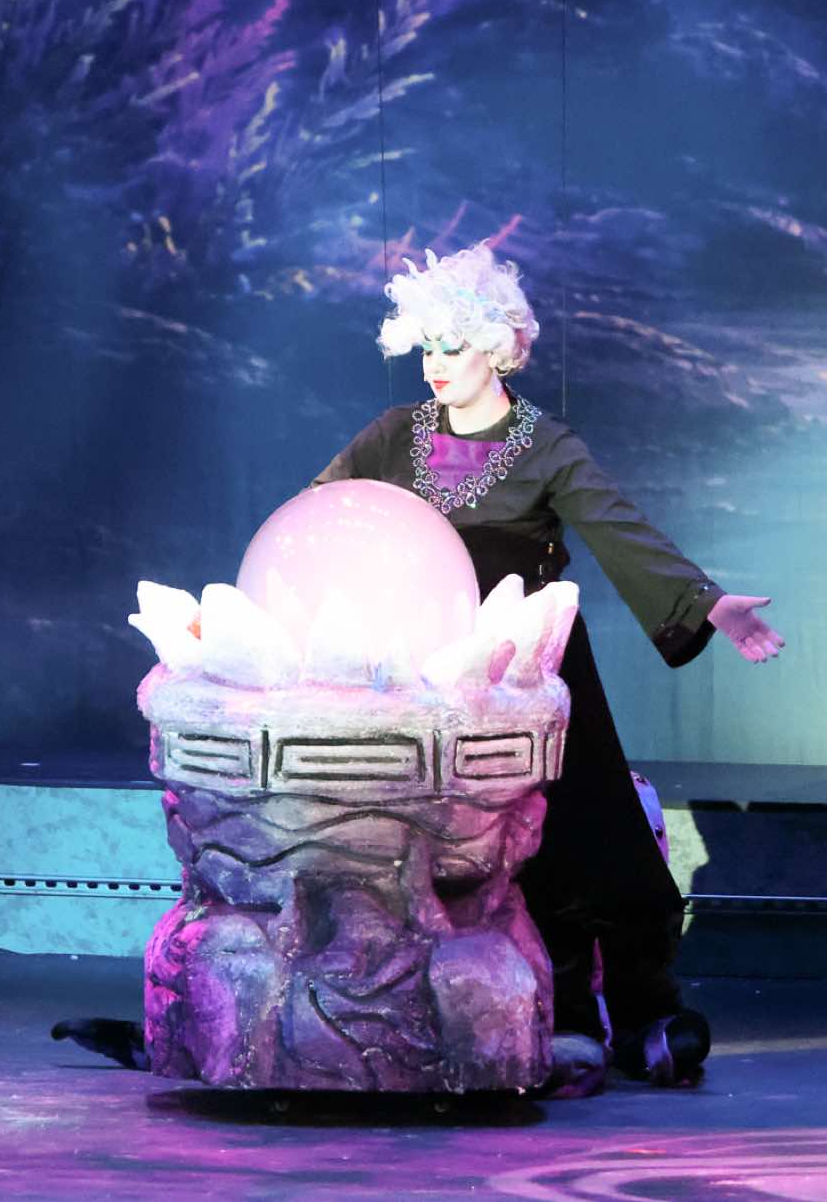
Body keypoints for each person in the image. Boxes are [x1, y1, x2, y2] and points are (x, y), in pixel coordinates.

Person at [314, 242, 784, 1094]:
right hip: (433, 665)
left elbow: (617, 527)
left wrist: (708, 603)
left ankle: (639, 1011)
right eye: (426, 347)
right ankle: (518, 1012)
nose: (435, 365)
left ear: (497, 347)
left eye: (453, 346)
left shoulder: (545, 447)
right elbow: (323, 516)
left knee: (586, 824)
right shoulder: (392, 437)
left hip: (532, 663)